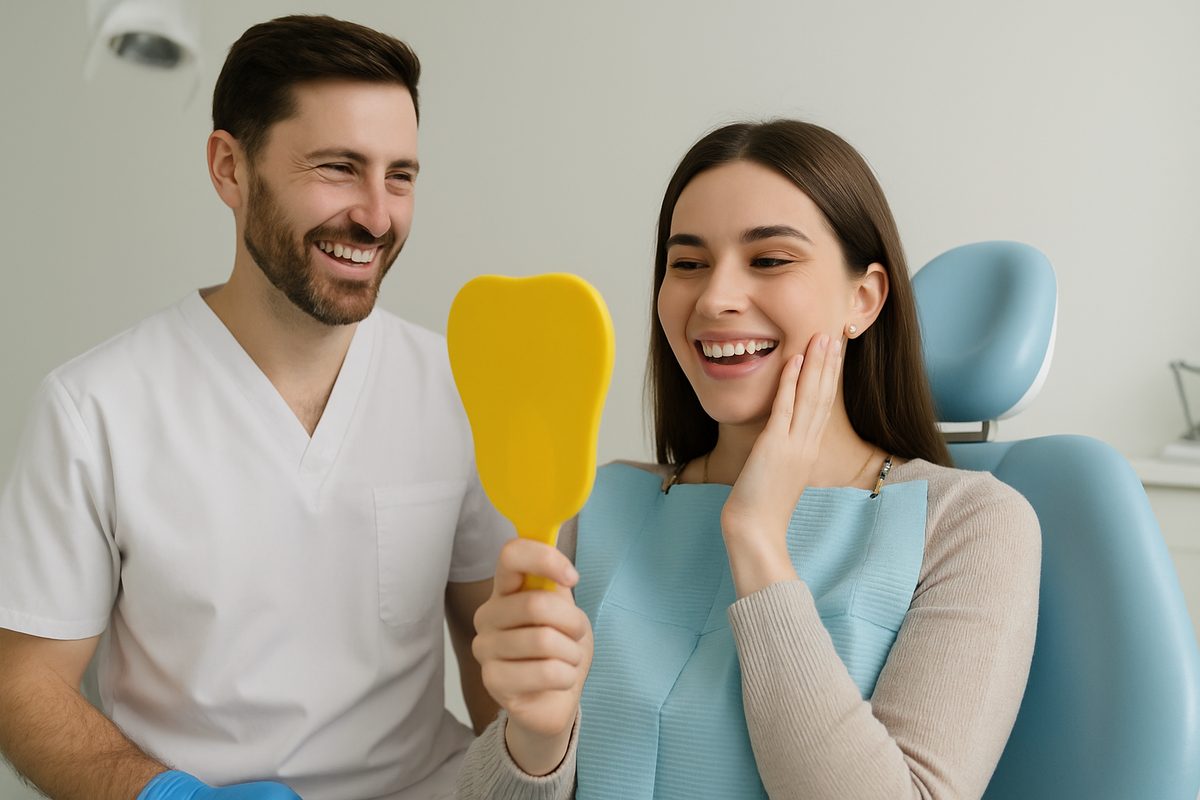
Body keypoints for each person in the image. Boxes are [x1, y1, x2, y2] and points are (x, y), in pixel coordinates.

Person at [0, 15, 512, 800]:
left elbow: (498, 665)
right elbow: (22, 688)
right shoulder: (94, 410)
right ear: (229, 168)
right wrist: (165, 798)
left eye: (400, 175)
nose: (377, 216)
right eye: (339, 168)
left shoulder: (464, 386)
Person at [455, 120, 1041, 799]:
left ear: (864, 298)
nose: (714, 299)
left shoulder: (972, 523)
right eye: (688, 263)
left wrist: (758, 537)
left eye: (768, 260)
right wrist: (534, 740)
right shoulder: (593, 505)